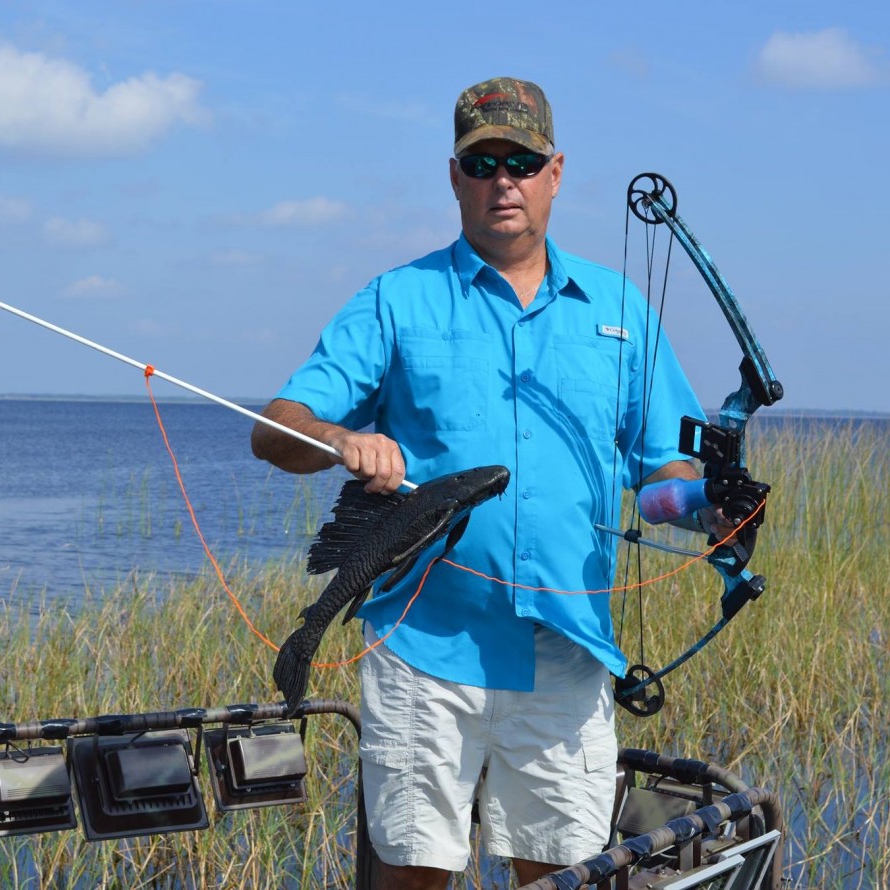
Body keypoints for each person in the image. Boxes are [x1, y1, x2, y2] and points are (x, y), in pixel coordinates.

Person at [251, 77, 722, 889]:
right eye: (483, 163)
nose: (503, 179)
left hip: (569, 656)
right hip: (423, 653)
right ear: (454, 175)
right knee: (411, 875)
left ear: (556, 171)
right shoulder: (396, 299)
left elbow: (661, 474)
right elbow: (275, 428)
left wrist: (708, 508)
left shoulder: (619, 309)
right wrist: (340, 440)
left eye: (522, 160)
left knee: (563, 877)